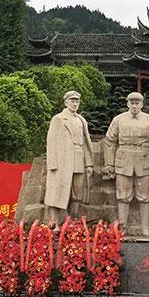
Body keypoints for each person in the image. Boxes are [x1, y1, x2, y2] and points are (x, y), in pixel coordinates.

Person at [103, 92, 149, 236]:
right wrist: (109, 164)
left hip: (144, 158)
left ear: (142, 104)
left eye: (137, 103)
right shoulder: (118, 120)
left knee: (146, 196)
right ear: (128, 104)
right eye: (132, 103)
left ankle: (145, 228)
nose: (135, 106)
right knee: (123, 194)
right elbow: (109, 141)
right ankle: (122, 227)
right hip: (123, 159)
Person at [44, 90, 94, 224]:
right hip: (63, 161)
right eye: (72, 101)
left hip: (79, 158)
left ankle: (72, 220)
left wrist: (89, 164)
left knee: (77, 192)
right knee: (57, 191)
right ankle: (54, 221)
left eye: (77, 101)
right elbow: (51, 141)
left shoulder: (82, 120)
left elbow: (85, 143)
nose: (75, 103)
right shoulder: (58, 118)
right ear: (66, 102)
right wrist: (52, 163)